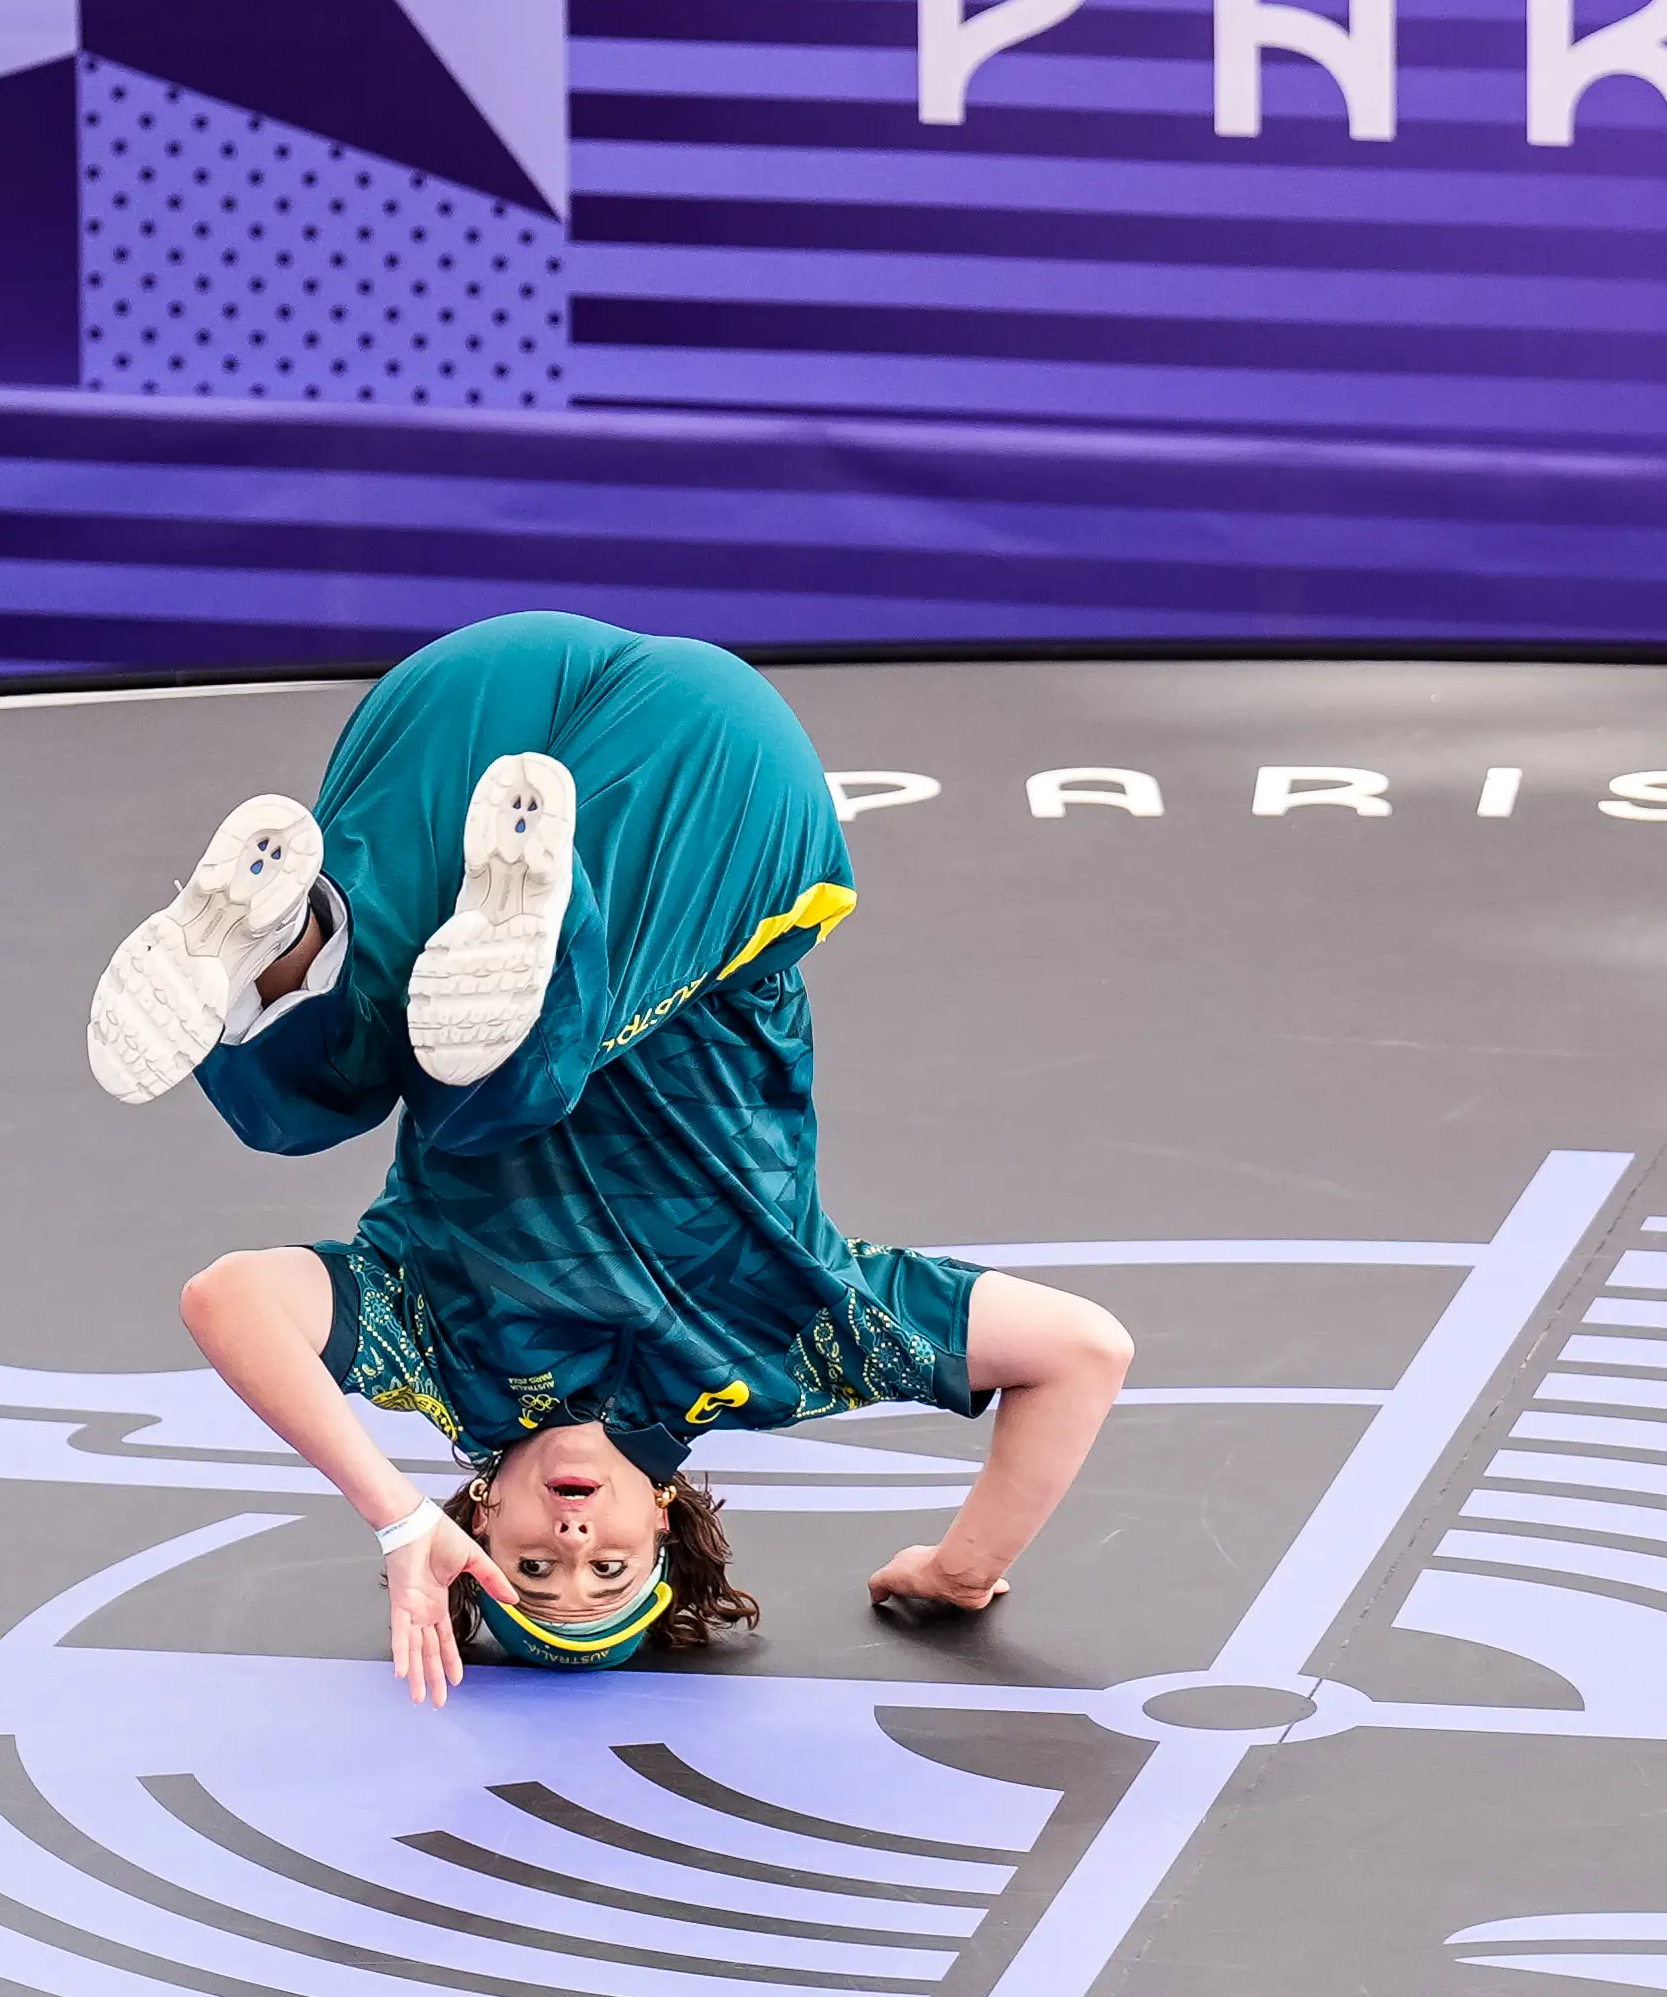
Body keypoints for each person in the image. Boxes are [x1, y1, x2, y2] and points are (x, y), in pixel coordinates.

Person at [87, 611, 1130, 1705]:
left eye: (533, 1566)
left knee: (291, 1114)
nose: (573, 1534)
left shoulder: (439, 1358)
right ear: (667, 1523)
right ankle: (535, 932)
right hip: (712, 795)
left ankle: (281, 948)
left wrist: (394, 1513)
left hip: (470, 697)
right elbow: (1082, 1351)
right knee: (494, 1095)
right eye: (610, 1566)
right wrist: (962, 1570)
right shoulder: (786, 1353)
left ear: (479, 1515)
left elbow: (227, 1299)